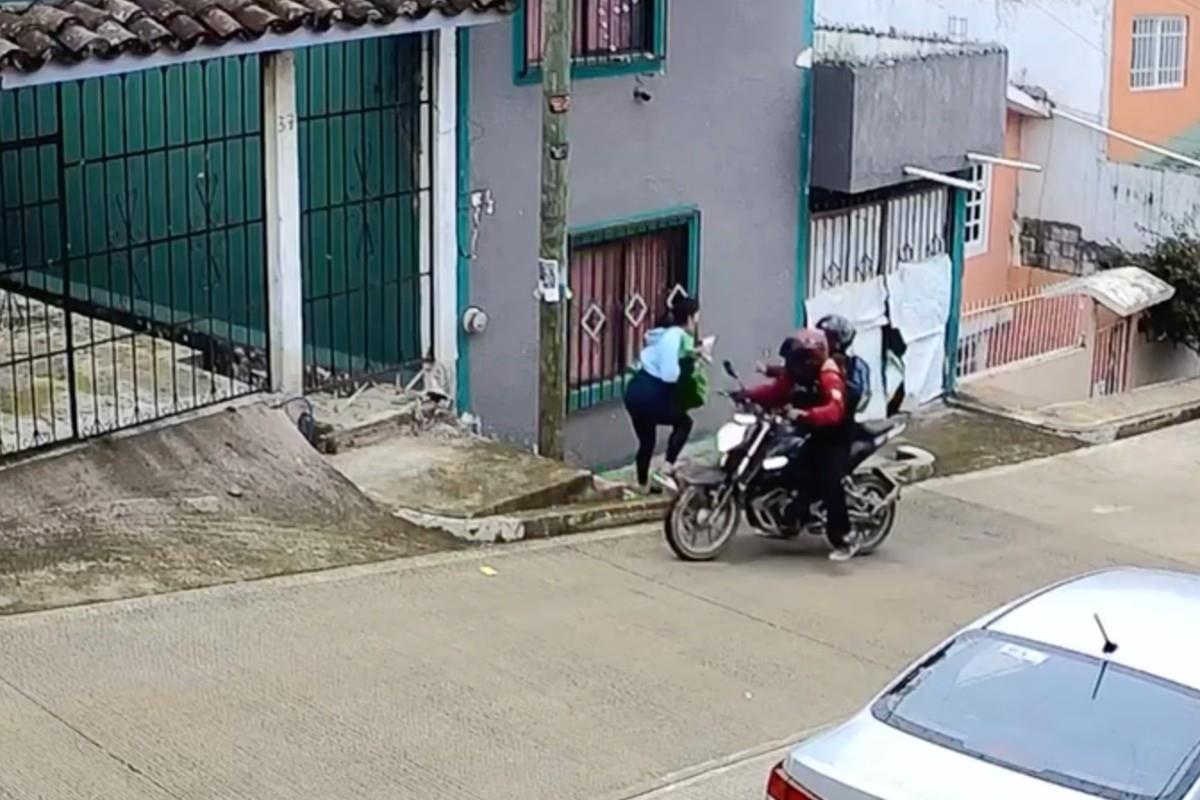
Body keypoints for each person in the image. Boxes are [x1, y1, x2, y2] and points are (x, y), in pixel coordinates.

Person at [740, 328, 858, 562]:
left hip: (836, 436)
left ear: (812, 357)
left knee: (829, 481)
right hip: (811, 433)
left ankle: (844, 536)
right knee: (793, 470)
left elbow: (835, 411)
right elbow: (777, 391)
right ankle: (793, 519)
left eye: (797, 360)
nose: (791, 365)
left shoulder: (829, 375)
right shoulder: (799, 372)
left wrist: (804, 415)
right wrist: (747, 395)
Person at [623, 296, 701, 493]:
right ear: (690, 318)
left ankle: (642, 484)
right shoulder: (674, 336)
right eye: (697, 316)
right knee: (684, 423)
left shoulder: (662, 334)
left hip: (635, 391)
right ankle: (666, 469)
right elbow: (669, 374)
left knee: (647, 440)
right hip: (652, 391)